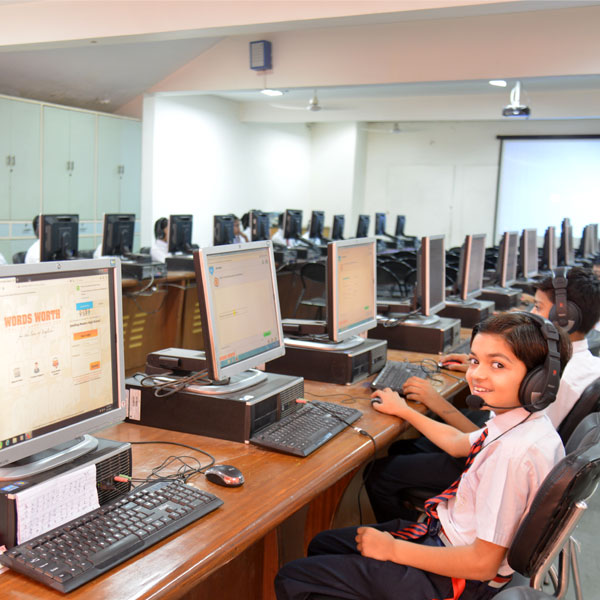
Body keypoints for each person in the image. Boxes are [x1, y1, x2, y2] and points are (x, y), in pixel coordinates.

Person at [275, 312, 571, 600]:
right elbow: (457, 443)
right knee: (323, 543)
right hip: (445, 535)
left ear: (540, 380)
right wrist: (404, 410)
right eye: (475, 360)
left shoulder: (513, 454)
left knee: (293, 577)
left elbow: (482, 565)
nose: (477, 374)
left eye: (497, 365)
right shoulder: (523, 424)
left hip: (458, 579)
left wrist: (393, 550)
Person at [365, 266, 600, 523]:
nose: (530, 313)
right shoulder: (581, 366)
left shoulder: (554, 383)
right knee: (404, 446)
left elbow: (485, 441)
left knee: (381, 472)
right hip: (494, 449)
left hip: (489, 465)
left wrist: (434, 401)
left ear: (565, 317)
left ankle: (411, 536)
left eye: (537, 307)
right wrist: (489, 365)